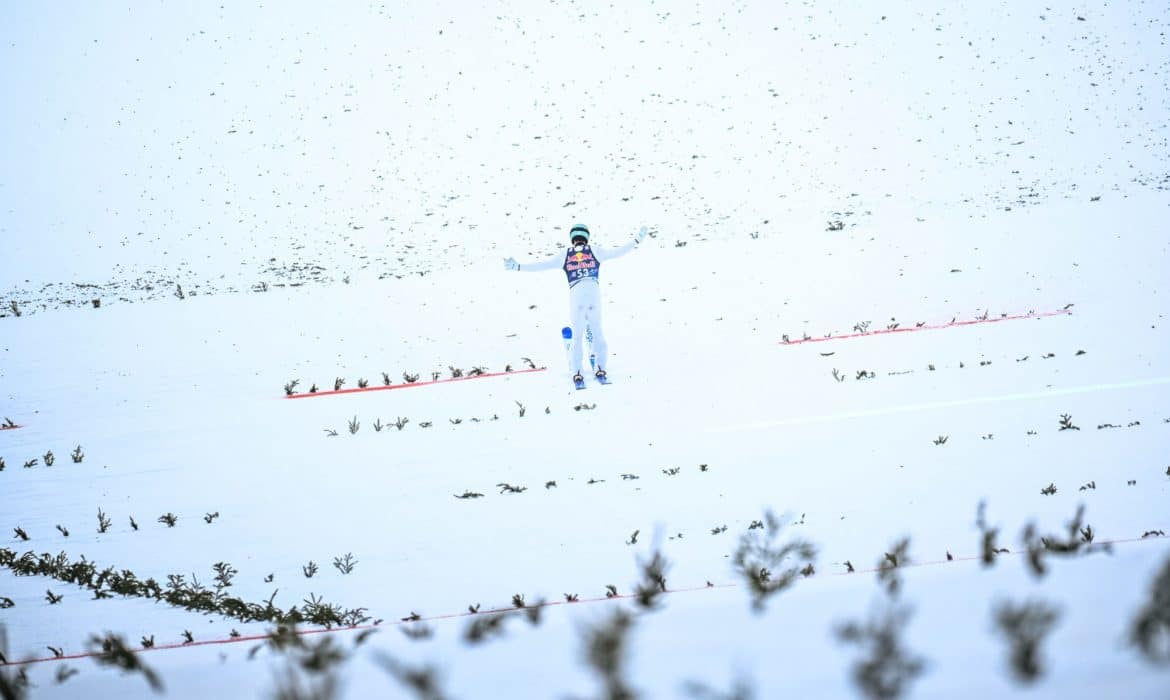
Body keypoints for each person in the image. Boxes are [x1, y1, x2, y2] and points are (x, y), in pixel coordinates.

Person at [504, 223, 647, 385]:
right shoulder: (595, 251)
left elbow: (542, 265)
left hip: (576, 298)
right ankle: (600, 368)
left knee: (577, 338)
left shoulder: (565, 254)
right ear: (587, 237)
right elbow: (618, 252)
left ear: (572, 238)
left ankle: (577, 372)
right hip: (593, 298)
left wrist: (518, 267)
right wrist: (637, 240)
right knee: (598, 335)